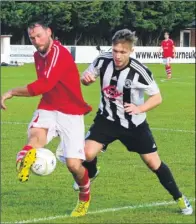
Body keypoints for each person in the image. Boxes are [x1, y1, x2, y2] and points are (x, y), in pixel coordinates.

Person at [73, 29, 193, 215]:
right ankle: (93, 172)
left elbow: (157, 97)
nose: (118, 56)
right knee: (86, 154)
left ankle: (179, 198)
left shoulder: (140, 71)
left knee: (154, 164)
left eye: (123, 52)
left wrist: (140, 108)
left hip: (134, 125)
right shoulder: (102, 60)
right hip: (107, 119)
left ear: (131, 51)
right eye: (115, 51)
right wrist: (85, 80)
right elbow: (87, 78)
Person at [0, 21, 92, 217]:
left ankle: (84, 197)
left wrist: (12, 91)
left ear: (49, 32)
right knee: (35, 138)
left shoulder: (59, 53)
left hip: (71, 111)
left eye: (39, 36)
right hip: (49, 106)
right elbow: (46, 90)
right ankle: (26, 155)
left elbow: (44, 84)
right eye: (32, 38)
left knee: (73, 165)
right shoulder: (37, 55)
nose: (36, 41)